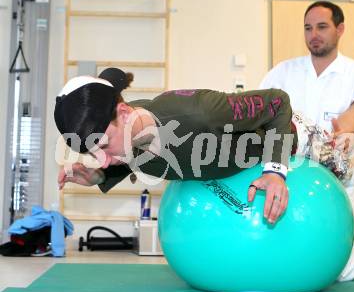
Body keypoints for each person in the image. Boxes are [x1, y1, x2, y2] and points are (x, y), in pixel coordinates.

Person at [55, 68, 295, 225]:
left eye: (104, 147)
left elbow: (277, 102)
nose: (104, 160)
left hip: (299, 144)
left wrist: (274, 172)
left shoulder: (201, 114)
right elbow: (124, 160)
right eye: (93, 154)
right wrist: (97, 176)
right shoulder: (125, 138)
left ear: (125, 113)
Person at [260, 0, 354, 281]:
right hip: (288, 174)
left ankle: (346, 258)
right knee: (287, 260)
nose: (313, 35)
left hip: (336, 179)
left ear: (340, 29)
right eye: (308, 28)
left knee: (341, 273)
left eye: (322, 27)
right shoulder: (283, 72)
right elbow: (256, 114)